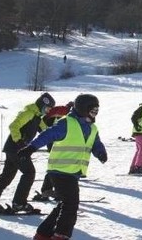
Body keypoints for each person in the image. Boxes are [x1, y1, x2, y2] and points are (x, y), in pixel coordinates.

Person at [18, 94, 107, 240]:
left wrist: (100, 152)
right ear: (83, 109)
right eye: (92, 110)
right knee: (71, 205)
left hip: (73, 172)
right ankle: (61, 235)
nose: (95, 113)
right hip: (59, 171)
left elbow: (96, 142)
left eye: (97, 110)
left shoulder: (92, 128)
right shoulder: (67, 123)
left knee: (64, 204)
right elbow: (47, 135)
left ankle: (43, 234)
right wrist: (31, 148)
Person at [0, 92, 55, 214]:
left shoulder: (37, 117)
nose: (48, 111)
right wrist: (19, 141)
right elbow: (13, 126)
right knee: (29, 172)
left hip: (14, 149)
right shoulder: (29, 113)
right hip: (17, 148)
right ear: (42, 105)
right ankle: (19, 203)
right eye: (47, 108)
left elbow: (46, 132)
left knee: (6, 176)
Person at [32, 101, 74, 202]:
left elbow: (44, 121)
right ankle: (52, 191)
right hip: (58, 142)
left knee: (55, 166)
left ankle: (48, 190)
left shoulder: (58, 109)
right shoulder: (67, 114)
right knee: (59, 167)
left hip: (52, 139)